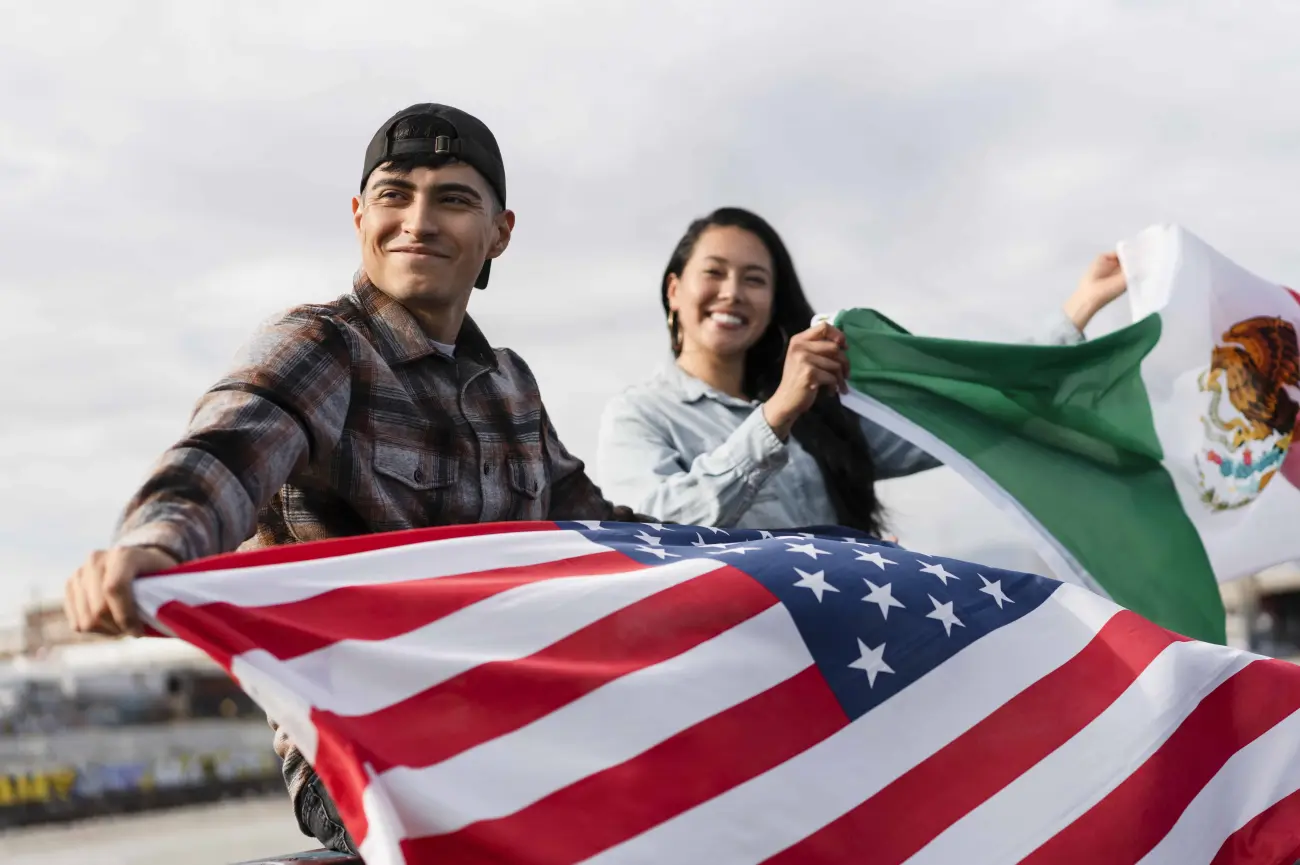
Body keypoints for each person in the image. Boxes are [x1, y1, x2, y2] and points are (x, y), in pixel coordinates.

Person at [61, 102, 650, 854]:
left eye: (454, 199)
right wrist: (153, 542)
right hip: (360, 753)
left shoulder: (513, 386)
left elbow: (609, 534)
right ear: (358, 214)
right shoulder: (323, 346)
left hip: (515, 731)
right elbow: (229, 444)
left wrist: (779, 559)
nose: (419, 220)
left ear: (500, 232)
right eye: (395, 194)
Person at [595, 207, 1128, 537]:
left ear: (773, 302)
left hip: (847, 660)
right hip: (737, 672)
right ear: (674, 291)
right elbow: (658, 532)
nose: (733, 292)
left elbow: (957, 413)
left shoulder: (823, 406)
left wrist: (1079, 308)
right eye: (714, 273)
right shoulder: (638, 415)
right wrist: (777, 414)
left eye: (755, 279)